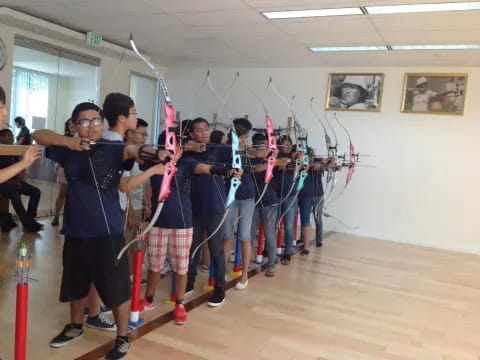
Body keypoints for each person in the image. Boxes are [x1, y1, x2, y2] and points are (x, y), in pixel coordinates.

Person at [34, 101, 171, 360]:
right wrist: (69, 142)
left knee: (115, 286)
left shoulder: (112, 148)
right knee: (76, 282)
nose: (93, 125)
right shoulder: (68, 150)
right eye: (85, 121)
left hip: (106, 230)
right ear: (74, 125)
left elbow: (134, 149)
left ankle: (122, 337)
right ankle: (75, 326)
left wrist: (156, 154)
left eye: (97, 120)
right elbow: (37, 135)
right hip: (75, 228)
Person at [184, 117, 233, 307]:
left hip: (215, 206)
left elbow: (238, 159)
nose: (204, 132)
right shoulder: (187, 154)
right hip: (194, 207)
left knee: (216, 250)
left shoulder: (218, 149)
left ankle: (220, 289)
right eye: (199, 130)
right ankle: (188, 283)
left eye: (206, 129)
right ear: (191, 134)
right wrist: (188, 148)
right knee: (192, 248)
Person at [223, 118, 255, 289]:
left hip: (247, 196)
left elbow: (262, 158)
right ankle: (222, 274)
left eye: (246, 137)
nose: (244, 141)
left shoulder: (249, 153)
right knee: (227, 236)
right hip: (229, 195)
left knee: (244, 236)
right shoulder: (225, 151)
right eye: (241, 137)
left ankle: (244, 274)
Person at [0, 129, 43, 232]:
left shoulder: (13, 150)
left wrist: (20, 177)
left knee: (35, 191)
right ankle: (27, 223)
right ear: (1, 138)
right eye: (8, 135)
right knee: (14, 194)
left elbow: (19, 166)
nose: (11, 137)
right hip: (3, 182)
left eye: (12, 135)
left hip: (15, 182)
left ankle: (30, 218)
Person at [250, 133, 280, 277]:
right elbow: (256, 169)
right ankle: (245, 263)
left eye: (265, 147)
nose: (263, 150)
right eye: (260, 148)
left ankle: (271, 265)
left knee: (270, 235)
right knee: (248, 235)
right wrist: (270, 161)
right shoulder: (251, 161)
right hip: (254, 202)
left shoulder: (273, 161)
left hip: (269, 203)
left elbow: (284, 164)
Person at [0, 86, 40, 184]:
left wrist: (24, 162)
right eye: (0, 107)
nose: (5, 112)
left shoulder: (24, 131)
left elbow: (20, 142)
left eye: (3, 107)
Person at [298, 148, 326, 255]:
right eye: (308, 155)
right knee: (305, 220)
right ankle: (305, 244)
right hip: (305, 195)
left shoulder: (318, 161)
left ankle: (319, 240)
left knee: (317, 217)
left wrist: (325, 162)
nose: (311, 157)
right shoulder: (300, 163)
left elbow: (328, 163)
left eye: (312, 155)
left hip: (318, 195)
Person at [52, 119, 75, 226]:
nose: (71, 126)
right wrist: (56, 166)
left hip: (79, 170)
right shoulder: (63, 138)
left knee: (74, 195)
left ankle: (70, 218)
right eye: (69, 124)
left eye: (73, 124)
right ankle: (56, 216)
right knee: (62, 193)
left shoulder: (83, 138)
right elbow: (59, 155)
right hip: (64, 169)